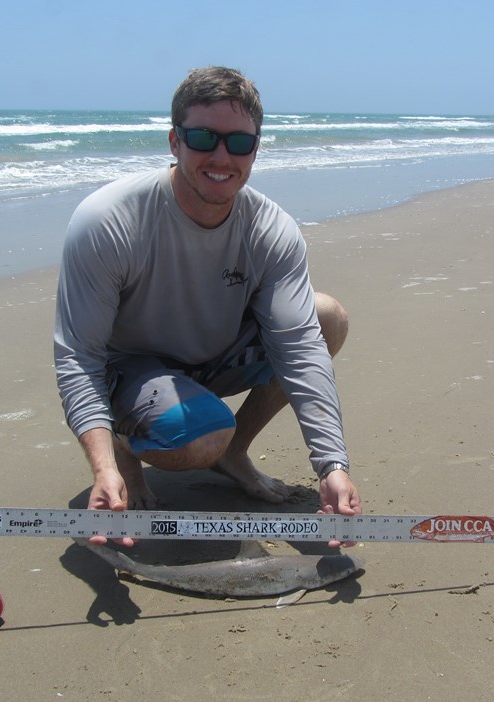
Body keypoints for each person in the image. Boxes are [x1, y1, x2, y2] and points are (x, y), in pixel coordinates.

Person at [54, 66, 362, 548]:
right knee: (202, 437)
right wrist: (103, 467)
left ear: (255, 149)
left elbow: (300, 349)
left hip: (212, 359)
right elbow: (80, 356)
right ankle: (124, 445)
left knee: (325, 318)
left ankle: (233, 453)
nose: (221, 157)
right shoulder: (108, 220)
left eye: (239, 143)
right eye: (203, 138)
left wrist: (332, 465)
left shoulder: (271, 229)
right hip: (131, 370)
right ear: (174, 142)